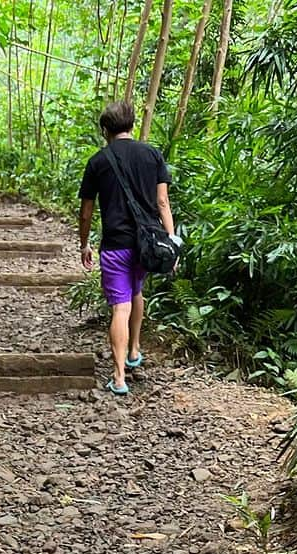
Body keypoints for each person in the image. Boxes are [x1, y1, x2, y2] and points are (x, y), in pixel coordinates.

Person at [78, 100, 177, 395]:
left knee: (120, 306)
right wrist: (170, 242)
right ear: (132, 125)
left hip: (116, 245)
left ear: (105, 130)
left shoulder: (98, 161)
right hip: (147, 245)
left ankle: (119, 377)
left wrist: (84, 244)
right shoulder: (152, 154)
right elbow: (162, 202)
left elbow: (86, 211)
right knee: (137, 293)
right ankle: (134, 349)